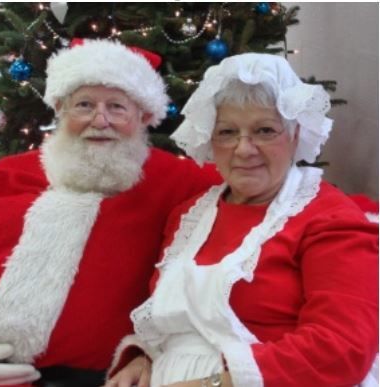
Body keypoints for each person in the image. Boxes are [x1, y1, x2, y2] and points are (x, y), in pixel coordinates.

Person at [106, 53, 379, 387]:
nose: (244, 148)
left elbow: (342, 348)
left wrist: (213, 383)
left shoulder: (332, 218)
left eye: (264, 130)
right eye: (227, 132)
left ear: (294, 136)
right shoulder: (189, 215)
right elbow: (179, 320)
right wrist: (144, 358)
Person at [0, 40, 221, 387]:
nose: (100, 120)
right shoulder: (2, 176)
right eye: (84, 105)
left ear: (144, 116)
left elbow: (259, 184)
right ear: (61, 109)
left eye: (117, 107)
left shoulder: (181, 182)